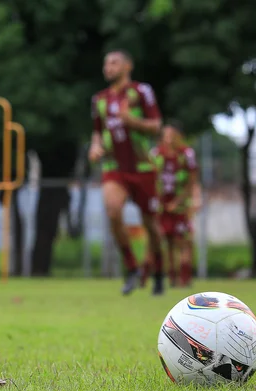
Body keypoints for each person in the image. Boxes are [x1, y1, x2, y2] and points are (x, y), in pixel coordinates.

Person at [89, 50, 164, 296]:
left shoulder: (141, 92)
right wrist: (96, 146)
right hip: (114, 168)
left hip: (143, 168)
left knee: (151, 225)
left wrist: (131, 121)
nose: (108, 67)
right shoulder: (99, 99)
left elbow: (155, 126)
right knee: (112, 210)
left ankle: (158, 272)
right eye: (105, 63)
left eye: (114, 62)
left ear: (127, 66)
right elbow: (97, 132)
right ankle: (131, 267)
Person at [150, 121, 198, 287]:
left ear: (179, 136)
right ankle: (172, 277)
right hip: (162, 207)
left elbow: (192, 181)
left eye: (172, 136)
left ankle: (186, 278)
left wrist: (181, 201)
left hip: (180, 207)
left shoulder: (187, 154)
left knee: (184, 241)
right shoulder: (156, 154)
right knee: (167, 242)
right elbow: (151, 180)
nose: (168, 140)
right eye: (166, 136)